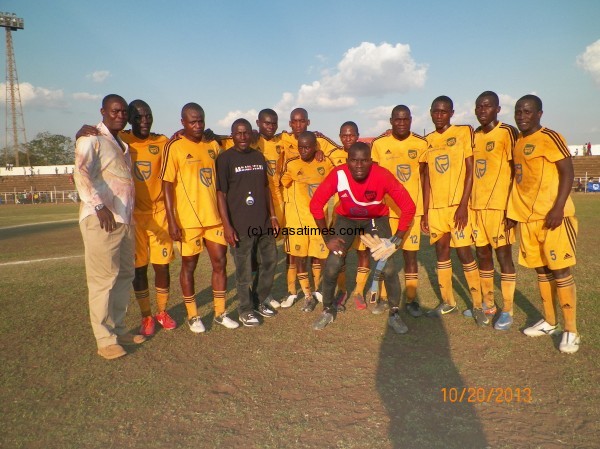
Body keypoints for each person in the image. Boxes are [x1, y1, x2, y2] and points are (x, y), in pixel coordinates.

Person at [75, 100, 177, 337]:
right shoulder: (121, 139)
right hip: (132, 217)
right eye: (138, 117)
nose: (144, 121)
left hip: (158, 214)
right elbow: (89, 154)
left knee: (161, 267)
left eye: (148, 116)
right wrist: (79, 133)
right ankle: (146, 316)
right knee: (137, 270)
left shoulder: (162, 142)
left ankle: (162, 311)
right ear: (129, 119)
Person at [309, 142, 416, 333]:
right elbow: (316, 204)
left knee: (388, 265)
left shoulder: (382, 175)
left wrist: (396, 240)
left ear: (371, 161)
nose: (359, 166)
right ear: (347, 161)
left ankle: (394, 313)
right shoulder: (339, 174)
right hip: (347, 220)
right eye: (354, 161)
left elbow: (409, 207)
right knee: (333, 263)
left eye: (364, 161)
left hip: (375, 219)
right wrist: (327, 238)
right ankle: (327, 309)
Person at [507, 94, 580, 353]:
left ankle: (571, 330)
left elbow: (567, 171)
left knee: (560, 270)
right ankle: (550, 321)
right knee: (541, 271)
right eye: (518, 111)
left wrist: (558, 207)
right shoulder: (518, 141)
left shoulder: (550, 137)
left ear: (539, 113)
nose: (522, 116)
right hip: (528, 219)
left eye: (527, 112)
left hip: (553, 217)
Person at [73, 94, 145, 360]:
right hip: (101, 218)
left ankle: (118, 329)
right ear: (103, 111)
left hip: (125, 219)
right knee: (103, 279)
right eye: (115, 111)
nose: (120, 115)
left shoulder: (121, 144)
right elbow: (80, 171)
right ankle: (104, 339)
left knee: (124, 276)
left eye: (123, 111)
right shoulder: (90, 138)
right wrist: (98, 206)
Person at [160, 103, 237, 333]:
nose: (197, 125)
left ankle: (220, 312)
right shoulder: (173, 146)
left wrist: (218, 134)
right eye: (192, 121)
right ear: (182, 122)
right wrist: (172, 220)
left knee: (220, 263)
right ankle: (193, 315)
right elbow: (166, 185)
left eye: (201, 121)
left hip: (213, 218)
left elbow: (242, 137)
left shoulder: (213, 143)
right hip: (188, 222)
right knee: (189, 266)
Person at [421, 96, 485, 325]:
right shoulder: (427, 140)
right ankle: (448, 302)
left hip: (457, 207)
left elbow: (470, 170)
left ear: (451, 113)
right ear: (430, 112)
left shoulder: (463, 132)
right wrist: (426, 211)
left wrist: (462, 205)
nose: (439, 115)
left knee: (465, 253)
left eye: (443, 111)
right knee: (441, 253)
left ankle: (478, 305)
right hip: (436, 209)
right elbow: (426, 177)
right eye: (435, 111)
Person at [216, 118, 279, 326]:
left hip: (263, 223)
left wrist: (272, 216)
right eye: (238, 133)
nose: (243, 137)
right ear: (232, 135)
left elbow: (265, 188)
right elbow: (221, 194)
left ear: (251, 134)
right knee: (243, 271)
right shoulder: (225, 159)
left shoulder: (259, 157)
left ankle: (259, 301)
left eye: (246, 133)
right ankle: (244, 309)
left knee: (269, 263)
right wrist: (227, 225)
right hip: (240, 225)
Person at [467, 91, 518, 330]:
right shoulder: (475, 135)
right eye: (478, 107)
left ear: (497, 109)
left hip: (499, 208)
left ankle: (507, 309)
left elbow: (516, 171)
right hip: (477, 207)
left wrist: (512, 208)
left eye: (486, 107)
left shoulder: (507, 132)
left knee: (503, 256)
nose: (481, 111)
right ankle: (489, 304)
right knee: (483, 255)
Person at [279, 108, 339, 307]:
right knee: (297, 256)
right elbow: (281, 181)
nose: (298, 125)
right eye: (294, 121)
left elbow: (338, 163)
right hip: (295, 216)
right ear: (290, 123)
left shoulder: (323, 155)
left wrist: (320, 149)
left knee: (319, 254)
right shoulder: (285, 150)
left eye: (302, 121)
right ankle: (300, 293)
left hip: (318, 217)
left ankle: (318, 289)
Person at [371, 105, 428, 317]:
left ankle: (412, 300)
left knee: (410, 256)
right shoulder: (379, 144)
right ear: (391, 121)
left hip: (411, 211)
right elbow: (374, 178)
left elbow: (424, 177)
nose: (401, 123)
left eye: (405, 119)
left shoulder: (421, 144)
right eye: (397, 119)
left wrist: (426, 211)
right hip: (386, 212)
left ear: (411, 120)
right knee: (385, 256)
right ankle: (385, 298)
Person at [329, 121, 372, 312]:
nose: (348, 139)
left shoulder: (367, 153)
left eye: (351, 135)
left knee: (363, 251)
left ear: (357, 136)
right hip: (343, 214)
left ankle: (359, 291)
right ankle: (343, 290)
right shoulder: (332, 155)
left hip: (364, 213)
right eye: (344, 136)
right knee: (341, 252)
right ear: (340, 137)